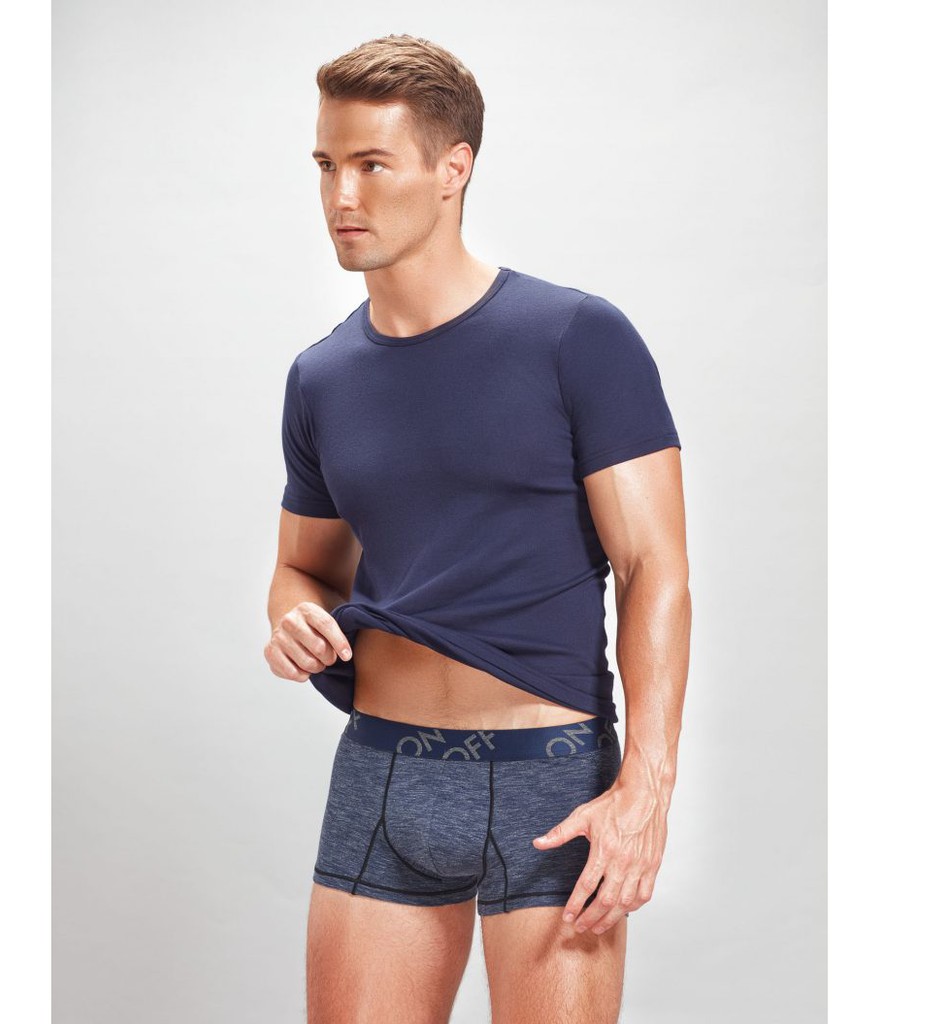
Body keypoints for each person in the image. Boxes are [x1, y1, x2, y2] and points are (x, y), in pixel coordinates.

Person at [264, 33, 691, 1024]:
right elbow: (300, 568)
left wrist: (647, 786)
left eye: (373, 164)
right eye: (326, 164)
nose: (341, 196)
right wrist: (291, 617)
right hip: (380, 768)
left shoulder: (576, 337)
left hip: (550, 780)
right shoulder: (321, 377)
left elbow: (654, 567)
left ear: (452, 169)